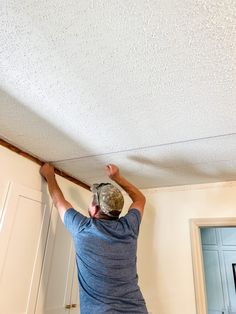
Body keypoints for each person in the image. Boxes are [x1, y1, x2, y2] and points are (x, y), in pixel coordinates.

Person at [40, 163, 148, 314]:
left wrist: (49, 176)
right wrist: (117, 177)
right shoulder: (129, 228)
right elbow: (140, 199)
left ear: (96, 209)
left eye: (92, 201)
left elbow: (58, 201)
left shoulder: (83, 229)